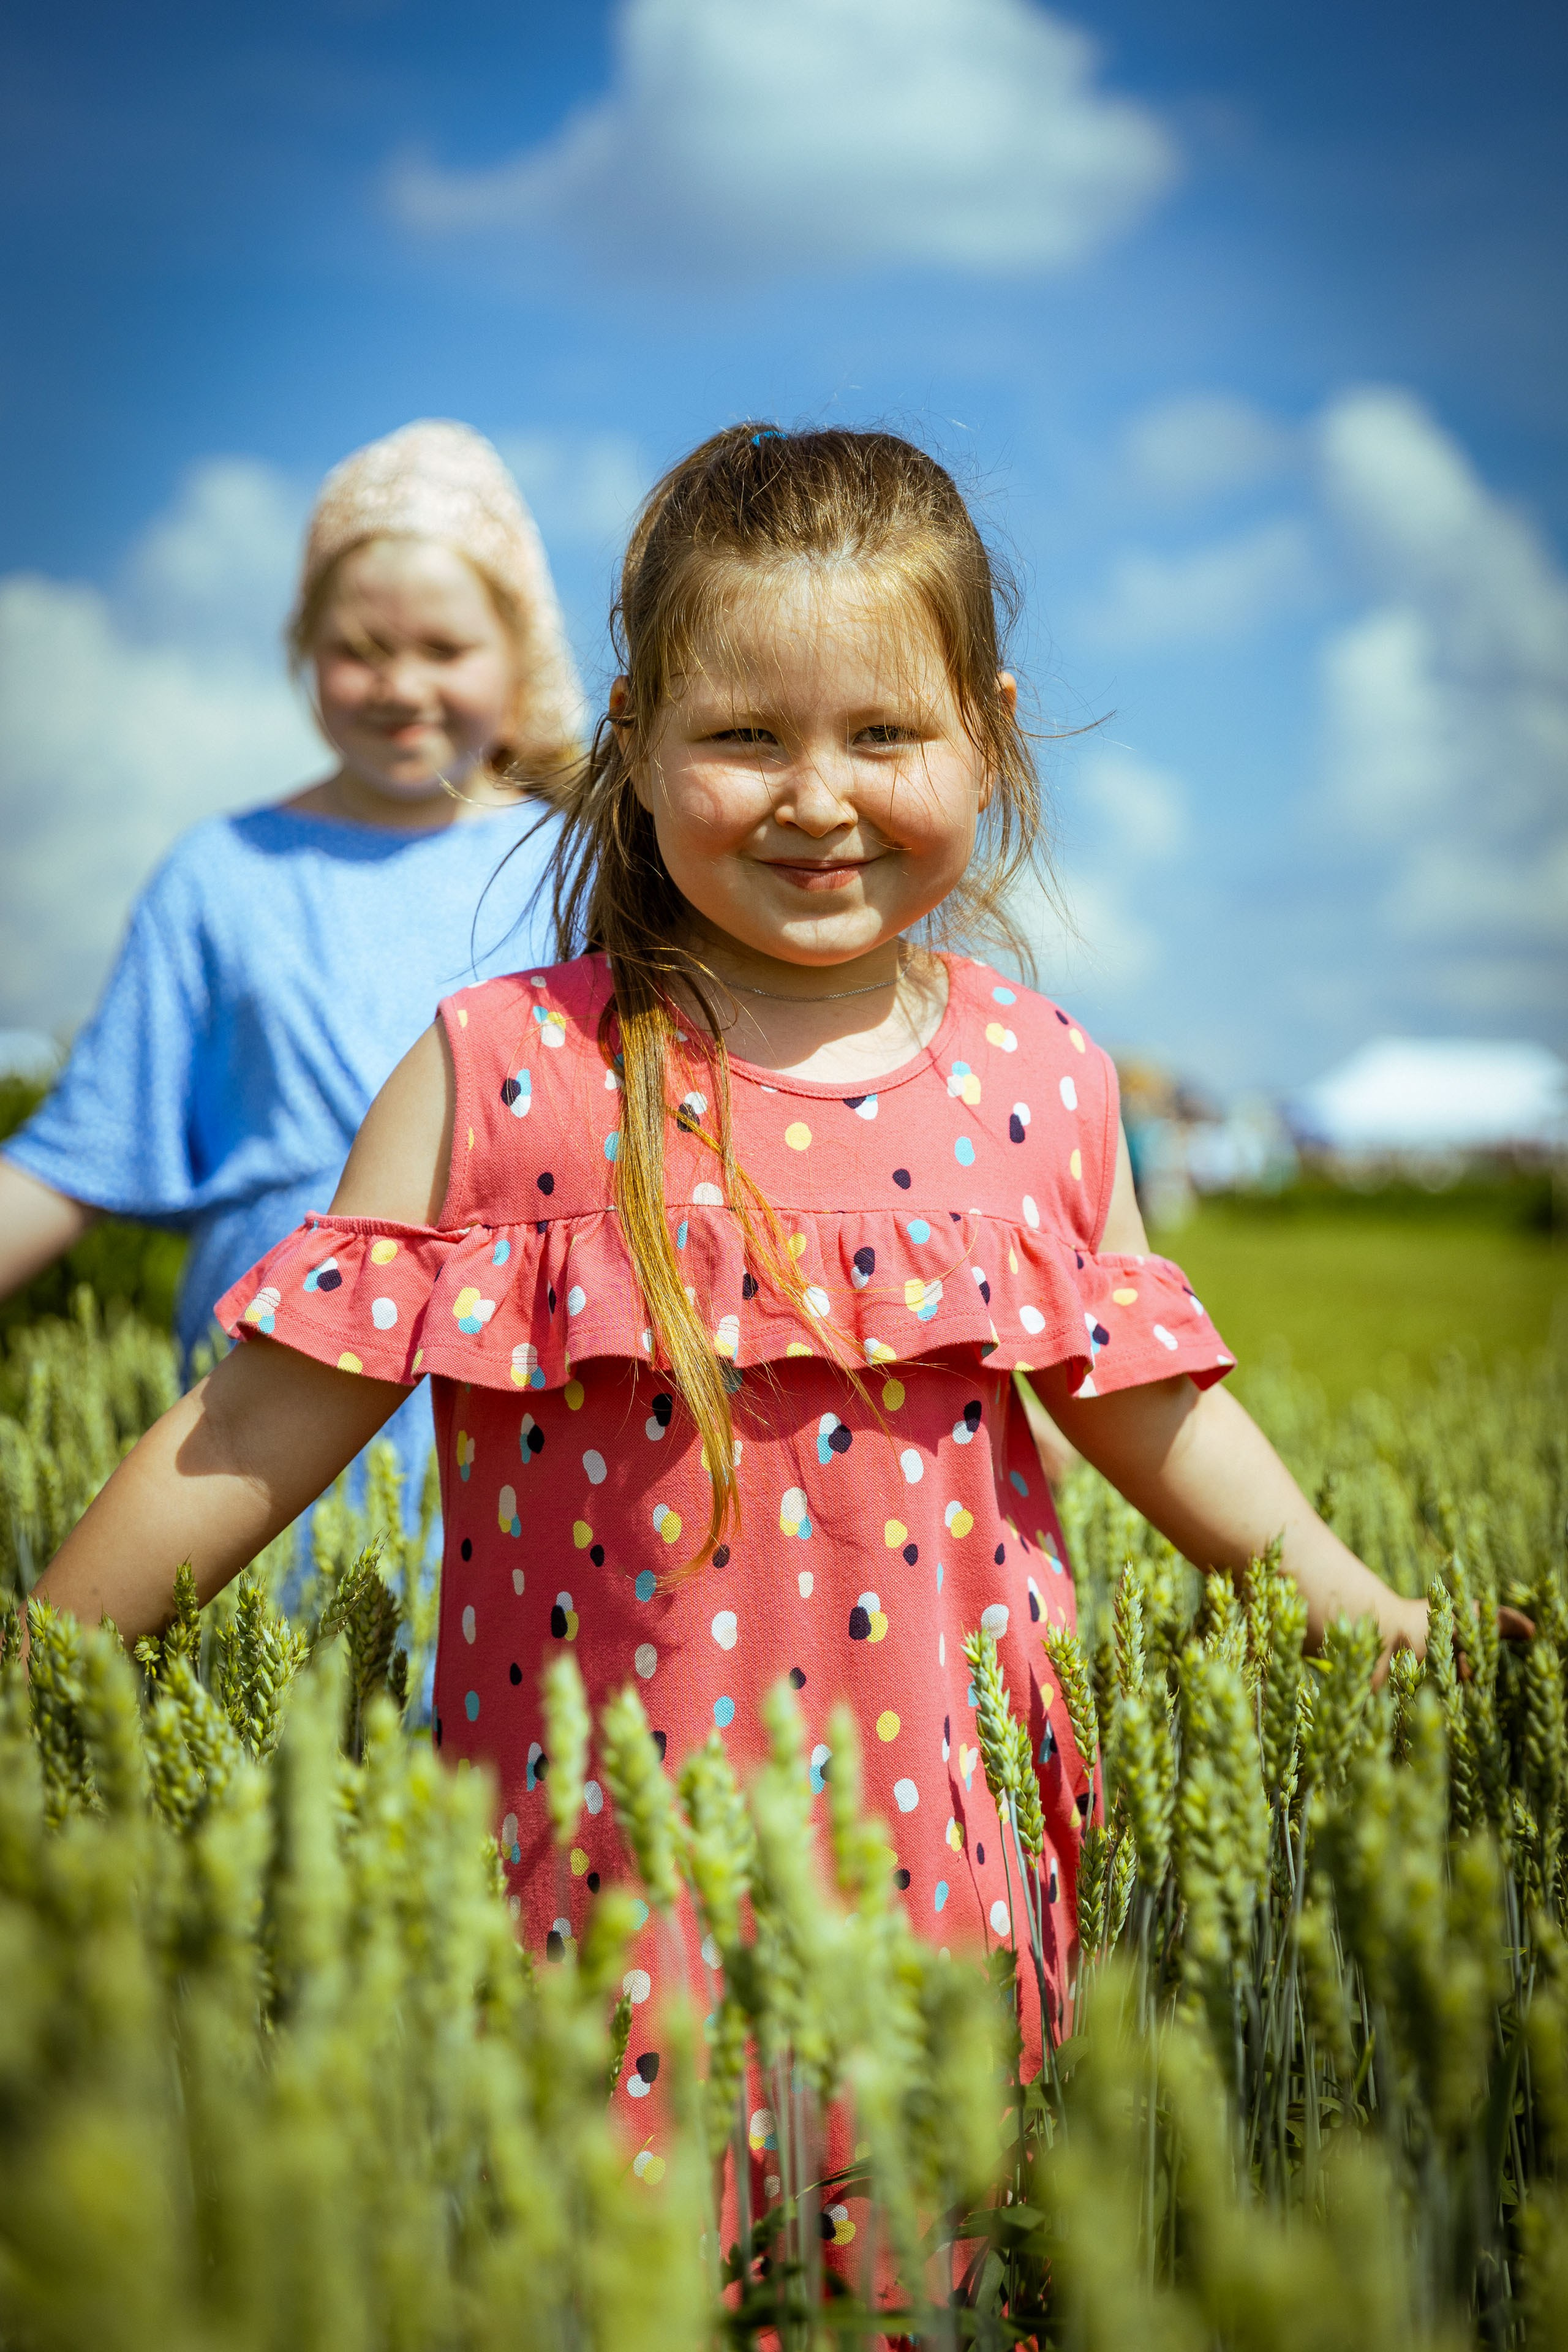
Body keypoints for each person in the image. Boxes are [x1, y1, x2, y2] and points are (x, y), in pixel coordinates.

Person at [32, 422, 1434, 2187]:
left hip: (950, 1886)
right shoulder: (502, 1071)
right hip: (582, 1885)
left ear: (989, 735)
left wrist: (1365, 1614)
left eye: (884, 734)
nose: (817, 796)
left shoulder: (1047, 1084)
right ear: (633, 744)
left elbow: (1154, 1409)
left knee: (925, 2260)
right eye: (746, 736)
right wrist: (41, 1665)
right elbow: (253, 1419)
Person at [1, 418, 580, 1517]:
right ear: (302, 647)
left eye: (445, 649)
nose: (400, 684)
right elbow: (77, 1154)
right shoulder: (220, 874)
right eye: (359, 648)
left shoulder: (576, 867)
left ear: (519, 654)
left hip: (512, 1413)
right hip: (261, 1419)